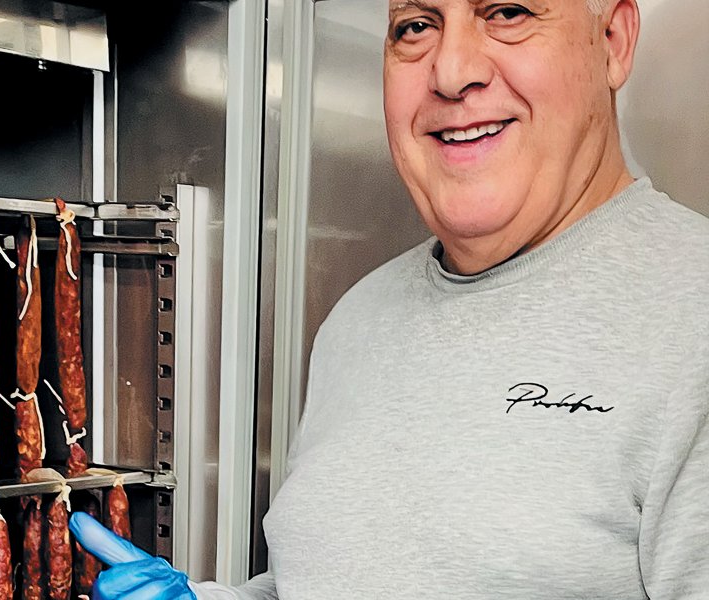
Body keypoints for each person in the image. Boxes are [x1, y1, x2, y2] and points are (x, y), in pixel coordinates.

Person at [72, 0, 709, 597]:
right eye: (416, 26)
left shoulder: (693, 313)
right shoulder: (359, 319)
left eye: (508, 12)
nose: (452, 72)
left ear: (613, 41)